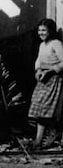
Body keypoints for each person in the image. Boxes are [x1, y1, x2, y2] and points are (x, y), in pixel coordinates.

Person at [28, 18, 63, 150]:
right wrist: (38, 70)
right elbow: (38, 60)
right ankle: (38, 141)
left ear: (51, 31)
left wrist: (50, 71)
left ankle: (51, 136)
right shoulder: (42, 45)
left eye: (44, 30)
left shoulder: (56, 44)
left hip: (54, 79)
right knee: (38, 108)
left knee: (48, 110)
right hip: (43, 78)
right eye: (39, 30)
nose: (41, 33)